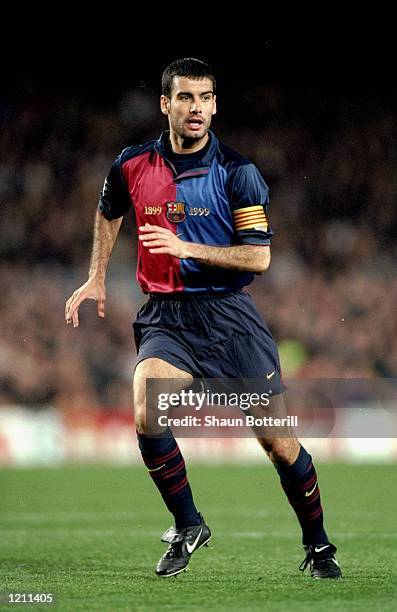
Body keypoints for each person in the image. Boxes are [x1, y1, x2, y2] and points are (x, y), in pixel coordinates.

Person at [65, 58, 342, 580]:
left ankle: (319, 543)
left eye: (206, 98)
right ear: (165, 104)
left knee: (279, 444)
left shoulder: (238, 172)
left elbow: (258, 257)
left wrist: (184, 245)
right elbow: (108, 210)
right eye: (186, 98)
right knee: (147, 405)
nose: (197, 108)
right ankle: (189, 523)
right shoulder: (130, 164)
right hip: (167, 317)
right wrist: (97, 276)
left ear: (215, 104)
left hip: (230, 319)